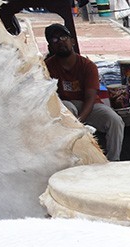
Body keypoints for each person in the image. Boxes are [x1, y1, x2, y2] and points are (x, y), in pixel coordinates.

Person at [44, 24, 124, 161]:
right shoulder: (47, 67)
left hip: (89, 106)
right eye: (55, 40)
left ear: (72, 41)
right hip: (64, 109)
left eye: (64, 37)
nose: (61, 42)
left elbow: (90, 97)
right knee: (68, 107)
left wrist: (79, 122)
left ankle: (113, 160)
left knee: (115, 120)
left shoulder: (88, 65)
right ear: (50, 47)